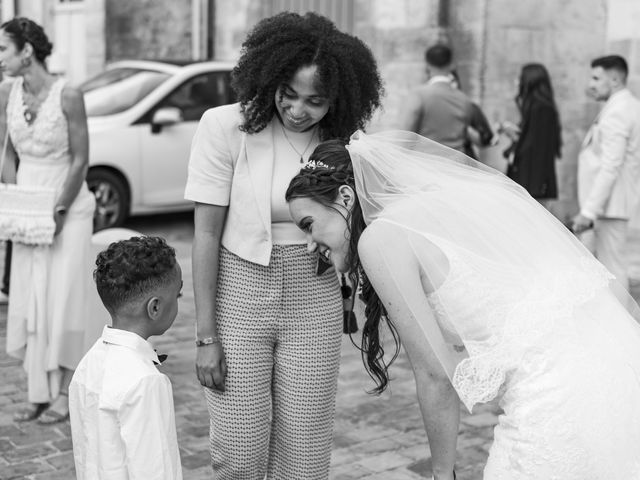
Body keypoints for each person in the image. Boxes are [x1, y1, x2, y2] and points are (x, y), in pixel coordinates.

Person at [286, 131, 640, 479]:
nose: (308, 245)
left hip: (558, 397)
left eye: (308, 225)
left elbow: (436, 374)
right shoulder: (440, 208)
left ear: (346, 198)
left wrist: (443, 473)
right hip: (619, 361)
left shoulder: (381, 238)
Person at [183, 12, 382, 479]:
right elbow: (206, 234)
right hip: (239, 291)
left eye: (315, 101)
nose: (297, 110)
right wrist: (206, 336)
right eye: (288, 94)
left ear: (336, 98)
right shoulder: (223, 126)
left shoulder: (345, 143)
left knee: (305, 454)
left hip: (314, 298)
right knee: (239, 449)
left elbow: (360, 225)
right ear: (268, 76)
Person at [0, 17, 95, 423]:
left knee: (65, 298)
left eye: (4, 48)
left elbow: (80, 159)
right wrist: (19, 201)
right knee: (32, 296)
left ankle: (68, 388)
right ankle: (39, 390)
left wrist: (56, 210)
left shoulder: (69, 95)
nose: (0, 57)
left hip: (68, 207)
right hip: (28, 210)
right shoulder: (7, 91)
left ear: (27, 51)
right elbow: (5, 154)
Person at [69, 236, 183, 480]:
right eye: (178, 296)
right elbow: (155, 470)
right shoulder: (146, 382)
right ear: (155, 308)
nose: (179, 302)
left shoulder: (88, 363)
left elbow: (83, 452)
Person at [572, 55, 640, 291]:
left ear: (614, 79)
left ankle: (622, 326)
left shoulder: (619, 111)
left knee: (612, 270)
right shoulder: (623, 105)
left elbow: (611, 165)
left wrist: (589, 211)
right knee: (599, 269)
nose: (591, 84)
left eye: (596, 78)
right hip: (607, 206)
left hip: (608, 207)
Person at [500, 63, 562, 204]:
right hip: (531, 181)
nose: (516, 82)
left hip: (532, 182)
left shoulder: (541, 108)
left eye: (520, 78)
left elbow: (535, 147)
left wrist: (515, 146)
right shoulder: (537, 107)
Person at [402, 44, 474, 152]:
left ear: (427, 65)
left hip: (425, 164)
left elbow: (407, 137)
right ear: (451, 65)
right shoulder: (464, 100)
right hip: (455, 165)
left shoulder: (419, 95)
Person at [449, 69, 496, 160]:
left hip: (462, 161)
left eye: (452, 81)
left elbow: (485, 140)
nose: (448, 86)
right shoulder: (427, 106)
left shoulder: (468, 107)